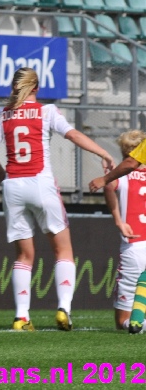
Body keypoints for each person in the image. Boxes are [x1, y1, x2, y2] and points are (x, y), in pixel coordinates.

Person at [0, 67, 114, 332]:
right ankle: (64, 309)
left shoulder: (2, 113)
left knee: (23, 255)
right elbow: (73, 135)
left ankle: (21, 317)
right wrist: (103, 152)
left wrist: (2, 174)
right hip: (40, 184)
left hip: (13, 187)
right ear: (36, 88)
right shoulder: (47, 111)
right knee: (63, 250)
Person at [100, 130, 146, 331]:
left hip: (134, 246)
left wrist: (118, 220)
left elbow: (109, 185)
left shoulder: (122, 176)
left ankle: (137, 324)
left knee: (122, 322)